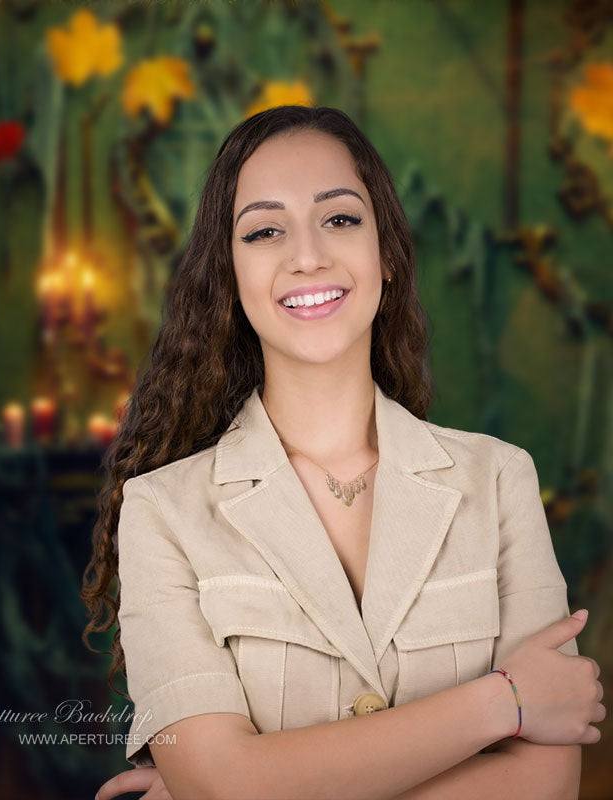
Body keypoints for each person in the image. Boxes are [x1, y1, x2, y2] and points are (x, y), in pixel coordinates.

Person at [81, 105, 605, 800]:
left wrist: (254, 783)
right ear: (230, 278)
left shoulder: (500, 480)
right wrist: (503, 702)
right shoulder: (161, 512)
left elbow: (546, 784)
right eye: (265, 231)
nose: (307, 255)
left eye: (340, 219)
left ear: (385, 252)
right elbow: (222, 785)